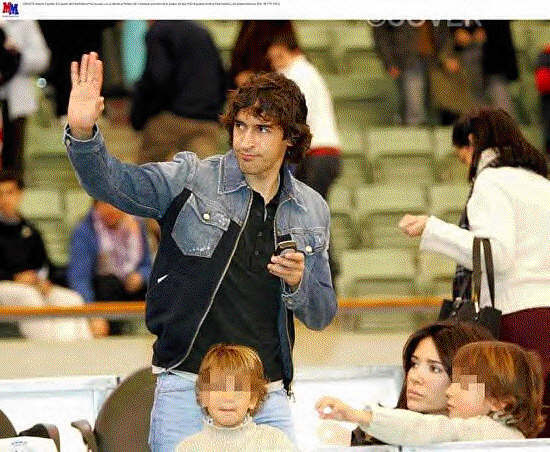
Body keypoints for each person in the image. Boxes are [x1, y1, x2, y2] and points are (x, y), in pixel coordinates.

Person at [65, 52, 336, 451]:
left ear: (291, 138)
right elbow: (113, 184)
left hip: (267, 393)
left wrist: (299, 282)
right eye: (240, 126)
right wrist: (83, 131)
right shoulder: (191, 178)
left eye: (262, 129)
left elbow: (322, 313)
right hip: (188, 387)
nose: (246, 141)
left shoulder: (312, 208)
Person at [399, 107, 550, 437]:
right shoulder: (542, 184)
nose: (465, 164)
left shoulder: (491, 181)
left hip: (517, 317)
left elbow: (496, 254)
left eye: (462, 156)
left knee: (517, 423)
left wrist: (433, 230)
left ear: (471, 141)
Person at [316, 340, 545, 444]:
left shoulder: (485, 431)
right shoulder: (507, 435)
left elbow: (423, 428)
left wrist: (360, 416)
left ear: (499, 402)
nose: (449, 392)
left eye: (462, 385)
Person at [348, 320, 493, 446]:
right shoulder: (371, 434)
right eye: (414, 364)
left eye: (435, 369)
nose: (414, 377)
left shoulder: (491, 436)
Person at [0, 169, 93, 340]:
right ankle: (48, 350)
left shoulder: (30, 230)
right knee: (29, 297)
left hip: (33, 284)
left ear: (20, 194)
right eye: (0, 194)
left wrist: (44, 282)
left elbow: (44, 265)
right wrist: (14, 278)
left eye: (9, 193)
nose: (5, 199)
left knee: (71, 299)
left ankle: (79, 351)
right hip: (6, 285)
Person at [130, 21, 227, 163]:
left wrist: (139, 115)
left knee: (148, 171)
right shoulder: (202, 32)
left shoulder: (160, 30)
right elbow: (222, 77)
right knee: (204, 172)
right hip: (206, 120)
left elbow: (156, 77)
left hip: (171, 119)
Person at [175, 344, 298, 452]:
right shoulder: (188, 448)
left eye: (238, 389)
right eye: (219, 388)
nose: (228, 397)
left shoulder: (274, 442)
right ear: (204, 396)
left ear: (253, 399)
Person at [67, 200, 152, 336]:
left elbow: (148, 265)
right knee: (109, 283)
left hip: (132, 287)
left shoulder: (136, 225)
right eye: (105, 204)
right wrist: (92, 314)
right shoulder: (84, 231)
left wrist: (141, 275)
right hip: (103, 293)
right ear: (96, 205)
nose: (111, 209)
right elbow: (80, 278)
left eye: (115, 204)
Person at [0, 20, 50, 171]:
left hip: (14, 103)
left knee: (13, 165)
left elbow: (42, 58)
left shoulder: (23, 20)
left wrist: (17, 55)